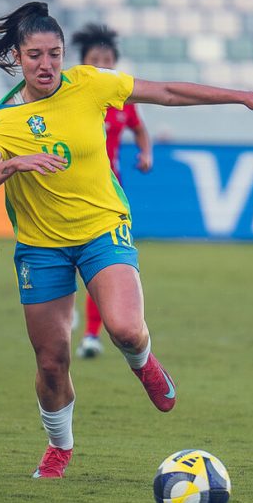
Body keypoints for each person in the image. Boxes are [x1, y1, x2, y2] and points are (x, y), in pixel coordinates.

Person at [0, 2, 253, 478]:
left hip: (102, 227)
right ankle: (60, 446)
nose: (46, 65)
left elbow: (167, 92)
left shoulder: (90, 83)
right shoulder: (0, 122)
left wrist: (242, 96)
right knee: (52, 363)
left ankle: (145, 363)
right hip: (41, 246)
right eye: (34, 56)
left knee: (126, 329)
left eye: (54, 54)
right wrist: (13, 164)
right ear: (16, 57)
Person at [69, 23, 153, 360]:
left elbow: (140, 129)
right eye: (95, 59)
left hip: (107, 195)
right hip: (71, 190)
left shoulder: (122, 99)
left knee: (101, 261)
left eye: (108, 59)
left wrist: (146, 153)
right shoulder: (72, 94)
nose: (102, 64)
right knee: (68, 258)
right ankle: (65, 307)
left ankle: (91, 334)